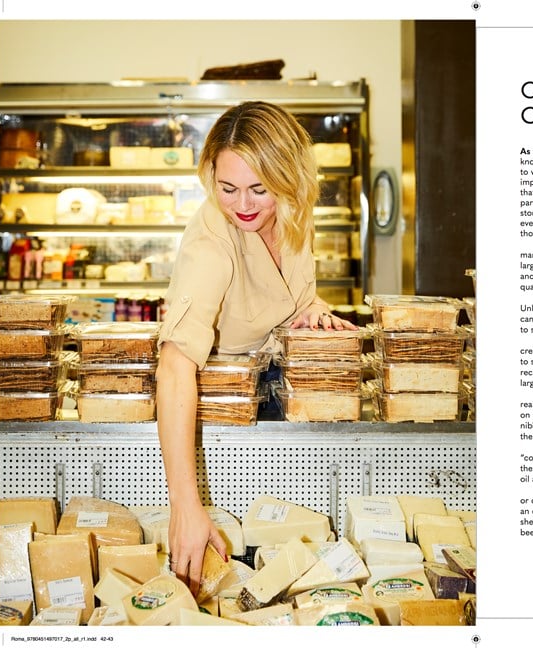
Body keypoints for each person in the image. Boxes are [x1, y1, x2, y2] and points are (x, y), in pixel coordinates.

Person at [155, 101, 356, 595]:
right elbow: (176, 363)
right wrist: (185, 503)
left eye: (258, 189)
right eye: (227, 188)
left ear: (287, 180)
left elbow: (291, 293)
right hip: (216, 409)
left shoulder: (294, 211)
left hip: (276, 398)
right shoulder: (212, 240)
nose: (242, 204)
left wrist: (311, 311)